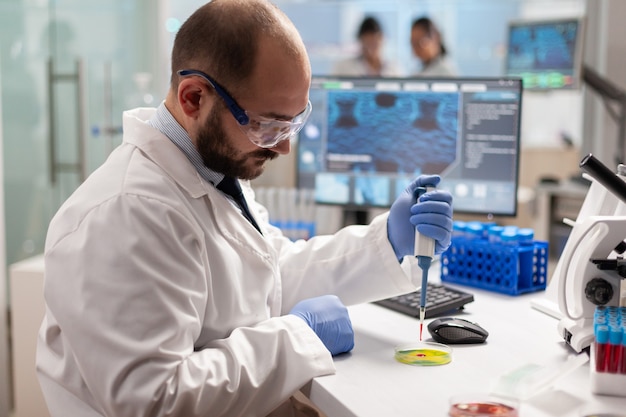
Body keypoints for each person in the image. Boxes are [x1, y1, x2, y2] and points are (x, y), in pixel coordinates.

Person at [36, 1, 453, 416]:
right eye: (268, 125)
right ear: (194, 97)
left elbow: (268, 276)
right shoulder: (127, 214)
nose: (285, 146)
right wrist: (299, 337)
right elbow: (155, 401)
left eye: (295, 122)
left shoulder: (210, 169)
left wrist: (386, 241)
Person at [332, 16, 402, 77]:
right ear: (360, 41)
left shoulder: (394, 70)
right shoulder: (343, 68)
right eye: (368, 43)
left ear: (382, 39)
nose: (371, 49)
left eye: (375, 43)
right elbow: (331, 88)